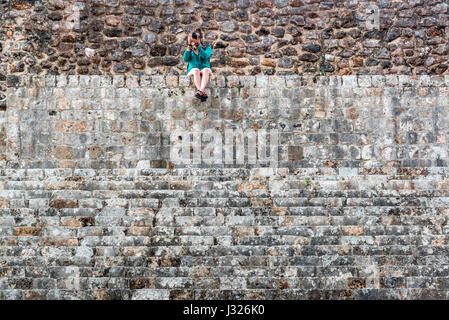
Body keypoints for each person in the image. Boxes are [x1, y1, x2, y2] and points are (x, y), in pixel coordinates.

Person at [182, 30, 213, 101]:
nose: (196, 38)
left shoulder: (207, 48)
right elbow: (185, 59)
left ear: (201, 39)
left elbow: (205, 56)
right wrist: (189, 45)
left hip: (205, 69)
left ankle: (200, 92)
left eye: (198, 37)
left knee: (205, 69)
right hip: (192, 70)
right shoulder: (190, 49)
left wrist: (199, 46)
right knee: (196, 70)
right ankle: (201, 91)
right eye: (194, 37)